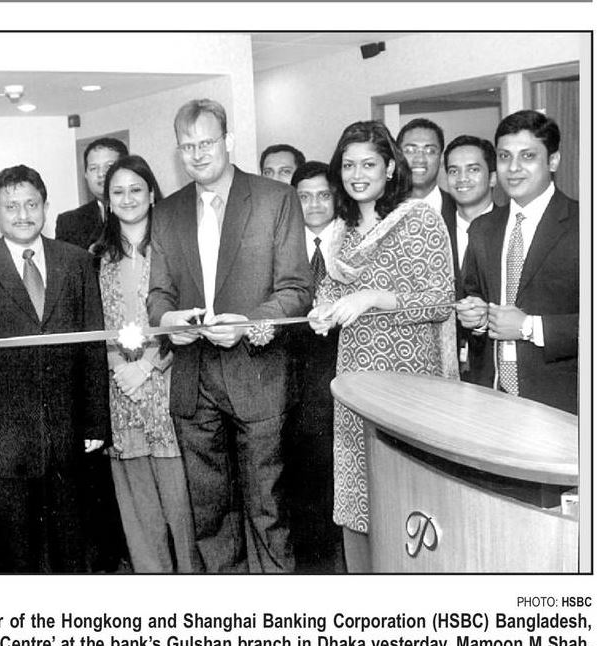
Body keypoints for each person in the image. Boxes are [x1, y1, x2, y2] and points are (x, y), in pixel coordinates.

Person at [148, 98, 311, 573]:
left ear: (229, 141)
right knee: (211, 516)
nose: (198, 154)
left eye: (207, 143)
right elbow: (158, 294)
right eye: (187, 147)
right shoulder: (168, 211)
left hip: (258, 376)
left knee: (268, 509)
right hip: (194, 379)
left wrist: (248, 322)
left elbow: (296, 289)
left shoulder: (275, 199)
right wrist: (169, 320)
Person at [309, 121, 458, 573]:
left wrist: (374, 298)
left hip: (406, 383)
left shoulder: (419, 220)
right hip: (354, 383)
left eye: (368, 164)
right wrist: (323, 311)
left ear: (390, 167)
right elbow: (332, 293)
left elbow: (440, 300)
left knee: (407, 497)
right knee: (359, 495)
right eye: (348, 165)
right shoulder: (343, 231)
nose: (357, 175)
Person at [0, 165, 109, 572]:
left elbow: (92, 345)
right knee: (19, 550)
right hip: (7, 438)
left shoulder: (76, 261)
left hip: (69, 431)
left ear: (45, 206)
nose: (23, 215)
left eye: (31, 204)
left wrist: (95, 422)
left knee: (72, 544)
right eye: (11, 206)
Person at [93, 155, 198, 573]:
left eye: (136, 189)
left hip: (169, 384)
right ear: (107, 201)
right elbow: (92, 323)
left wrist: (147, 366)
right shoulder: (96, 257)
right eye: (117, 191)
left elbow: (188, 319)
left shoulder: (179, 248)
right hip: (119, 391)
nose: (128, 198)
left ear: (152, 194)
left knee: (182, 505)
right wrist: (120, 369)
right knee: (139, 512)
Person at [457, 110, 578, 414]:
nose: (513, 168)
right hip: (490, 398)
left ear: (553, 161)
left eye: (527, 156)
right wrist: (476, 318)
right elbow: (474, 296)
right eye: (504, 156)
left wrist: (528, 327)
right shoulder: (483, 228)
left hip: (563, 405)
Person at [285, 161, 343, 572]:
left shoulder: (355, 242)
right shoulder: (284, 246)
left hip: (344, 374)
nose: (315, 204)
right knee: (304, 477)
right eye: (304, 197)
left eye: (323, 195)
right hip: (296, 381)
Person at [443, 136, 500, 381]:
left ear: (493, 177)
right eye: (454, 171)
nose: (462, 178)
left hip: (494, 366)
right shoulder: (433, 231)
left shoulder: (512, 230)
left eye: (473, 169)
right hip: (442, 367)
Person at [56, 137, 129, 251]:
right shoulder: (69, 222)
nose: (101, 174)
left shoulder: (144, 213)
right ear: (86, 175)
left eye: (109, 166)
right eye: (93, 168)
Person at [397, 118, 456, 219]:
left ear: (441, 159)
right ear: (397, 156)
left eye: (430, 151)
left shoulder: (460, 208)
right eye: (410, 150)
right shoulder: (378, 210)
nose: (420, 159)